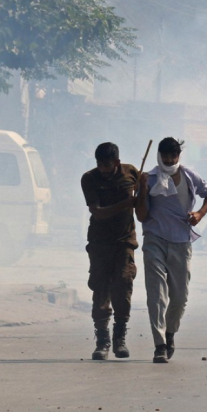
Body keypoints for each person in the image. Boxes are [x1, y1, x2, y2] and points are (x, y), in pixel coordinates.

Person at [135, 137, 207, 363]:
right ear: (158, 155)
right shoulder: (149, 179)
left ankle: (170, 333)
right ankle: (159, 344)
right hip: (155, 239)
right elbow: (141, 215)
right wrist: (141, 190)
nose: (169, 160)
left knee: (179, 297)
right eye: (165, 156)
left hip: (181, 241)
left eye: (174, 156)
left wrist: (199, 214)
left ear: (179, 156)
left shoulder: (190, 176)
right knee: (156, 293)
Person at [80, 142, 141, 361]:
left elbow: (146, 195)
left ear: (116, 162)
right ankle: (102, 341)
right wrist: (126, 204)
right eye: (99, 164)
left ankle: (119, 338)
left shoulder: (132, 172)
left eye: (107, 165)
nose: (103, 169)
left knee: (123, 285)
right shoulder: (89, 178)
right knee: (100, 288)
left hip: (124, 241)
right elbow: (97, 212)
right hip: (99, 243)